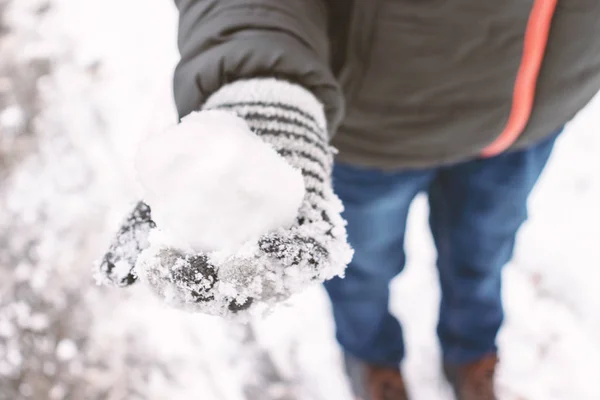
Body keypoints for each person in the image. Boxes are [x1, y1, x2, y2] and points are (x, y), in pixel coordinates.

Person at [101, 1, 600, 399]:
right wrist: (262, 85)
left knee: (484, 258)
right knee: (361, 272)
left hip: (525, 132)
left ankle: (472, 355)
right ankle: (373, 360)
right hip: (368, 134)